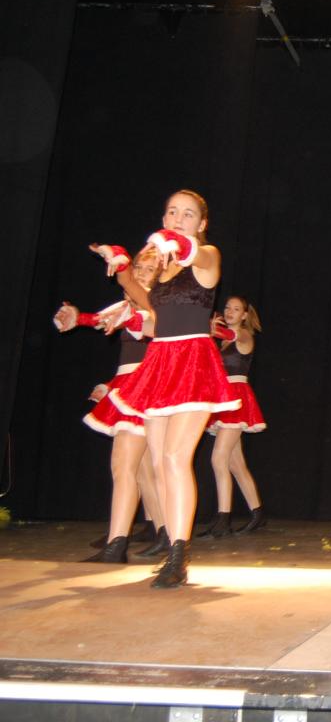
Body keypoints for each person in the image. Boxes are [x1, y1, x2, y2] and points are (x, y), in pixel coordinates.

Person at [92, 189, 239, 588]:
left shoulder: (207, 255)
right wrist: (122, 265)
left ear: (202, 223)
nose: (177, 218)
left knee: (175, 457)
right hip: (159, 363)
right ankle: (172, 546)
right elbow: (148, 306)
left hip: (193, 361)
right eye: (172, 212)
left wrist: (168, 241)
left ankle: (179, 554)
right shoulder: (162, 268)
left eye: (187, 214)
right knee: (158, 462)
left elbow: (190, 252)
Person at [55, 248, 164, 562]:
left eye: (149, 269)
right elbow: (100, 318)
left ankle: (118, 544)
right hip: (129, 387)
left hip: (145, 389)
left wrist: (129, 313)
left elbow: (149, 324)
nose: (141, 273)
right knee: (142, 470)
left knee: (124, 465)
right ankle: (166, 535)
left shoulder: (158, 305)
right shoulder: (129, 304)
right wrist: (77, 318)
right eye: (138, 267)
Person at [199, 296, 267, 538]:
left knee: (219, 459)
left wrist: (210, 329)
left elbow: (232, 335)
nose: (230, 312)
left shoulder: (245, 335)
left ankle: (223, 519)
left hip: (237, 399)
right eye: (227, 307)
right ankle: (257, 513)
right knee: (235, 464)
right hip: (223, 398)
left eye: (236, 309)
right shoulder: (221, 342)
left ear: (244, 315)